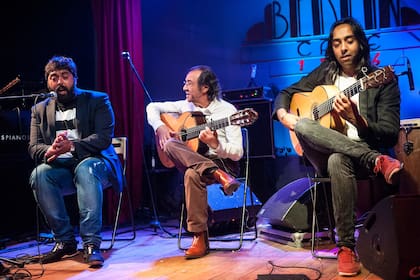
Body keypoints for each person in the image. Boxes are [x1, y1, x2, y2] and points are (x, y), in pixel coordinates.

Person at [273, 17, 403, 276]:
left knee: (337, 160)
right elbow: (285, 93)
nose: (343, 48)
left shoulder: (381, 79)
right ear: (331, 48)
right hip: (324, 150)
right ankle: (375, 160)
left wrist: (358, 121)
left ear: (361, 44)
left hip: (356, 150)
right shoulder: (325, 73)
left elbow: (389, 134)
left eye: (349, 41)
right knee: (302, 126)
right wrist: (283, 115)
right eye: (336, 43)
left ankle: (345, 247)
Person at [28, 56, 124, 267]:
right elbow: (34, 147)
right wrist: (50, 149)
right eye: (54, 78)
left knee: (85, 168)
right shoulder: (39, 109)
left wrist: (71, 146)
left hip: (97, 165)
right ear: (48, 82)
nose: (60, 82)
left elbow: (103, 138)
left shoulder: (98, 100)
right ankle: (64, 241)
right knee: (40, 174)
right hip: (63, 169)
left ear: (75, 78)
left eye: (65, 76)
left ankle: (91, 244)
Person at [146, 65, 244, 259]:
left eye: (189, 83)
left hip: (223, 163)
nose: (184, 88)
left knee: (192, 173)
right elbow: (152, 106)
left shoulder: (228, 111)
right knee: (170, 144)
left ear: (205, 88)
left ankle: (199, 237)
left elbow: (237, 154)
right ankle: (214, 174)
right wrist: (160, 127)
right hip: (204, 164)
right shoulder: (185, 106)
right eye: (185, 83)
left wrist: (216, 144)